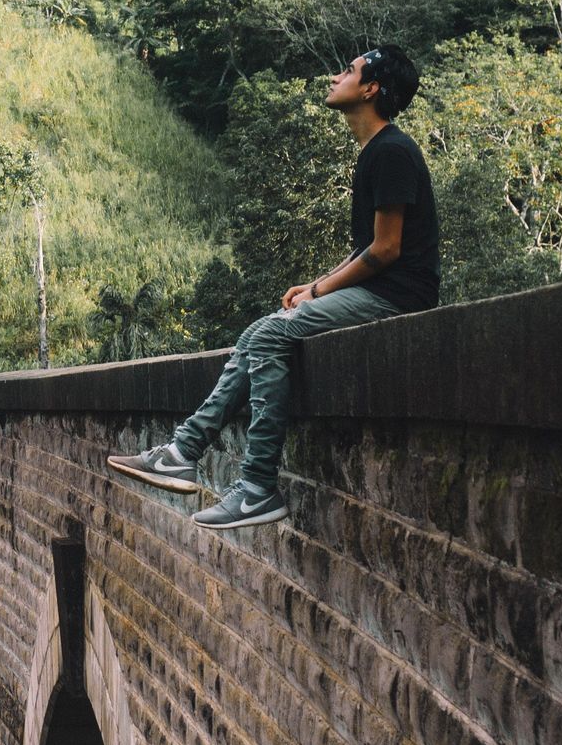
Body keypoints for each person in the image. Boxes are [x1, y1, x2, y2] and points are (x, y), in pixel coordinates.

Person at [109, 44, 439, 529]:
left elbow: (387, 250)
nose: (335, 76)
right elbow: (368, 245)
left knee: (266, 335)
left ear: (370, 88)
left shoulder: (391, 152)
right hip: (382, 290)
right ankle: (183, 449)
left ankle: (258, 486)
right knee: (258, 333)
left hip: (397, 298)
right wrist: (316, 284)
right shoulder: (377, 151)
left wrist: (322, 292)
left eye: (348, 71)